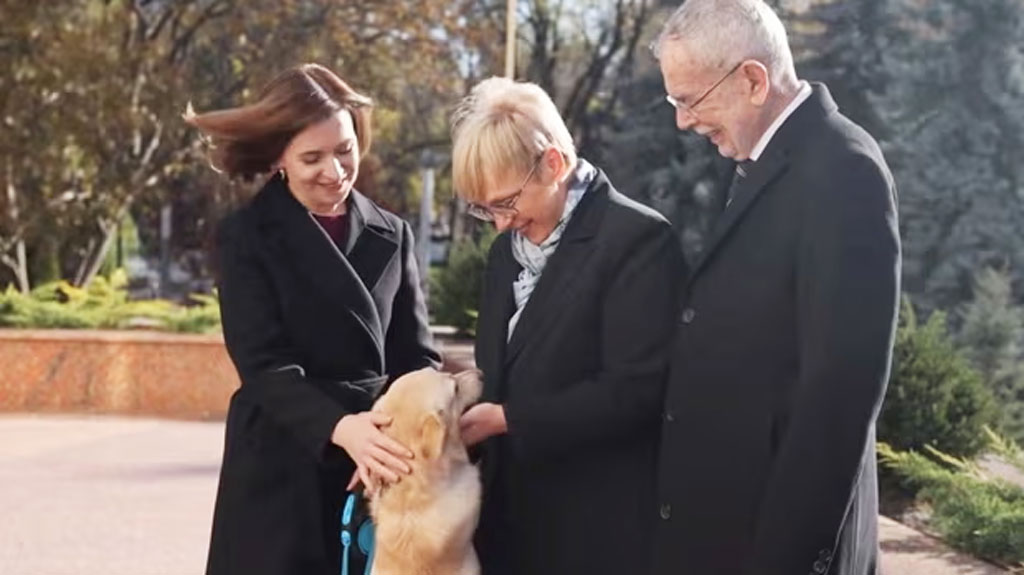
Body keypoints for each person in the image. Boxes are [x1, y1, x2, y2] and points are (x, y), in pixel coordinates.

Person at [649, 2, 901, 575]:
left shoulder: (843, 170)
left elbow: (839, 393)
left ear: (753, 81)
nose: (683, 121)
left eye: (689, 100)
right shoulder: (759, 157)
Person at [186, 63, 441, 575]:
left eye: (345, 149)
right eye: (312, 157)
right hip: (282, 465)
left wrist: (391, 440)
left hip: (376, 465)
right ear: (279, 156)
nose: (335, 170)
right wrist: (341, 428)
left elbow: (417, 359)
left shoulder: (393, 233)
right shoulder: (246, 236)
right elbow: (264, 366)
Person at [450, 77, 687, 575]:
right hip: (508, 526)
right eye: (484, 209)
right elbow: (503, 369)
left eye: (506, 202)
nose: (499, 223)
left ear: (553, 165)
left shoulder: (636, 240)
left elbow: (637, 390)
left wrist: (508, 418)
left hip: (591, 531)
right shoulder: (504, 255)